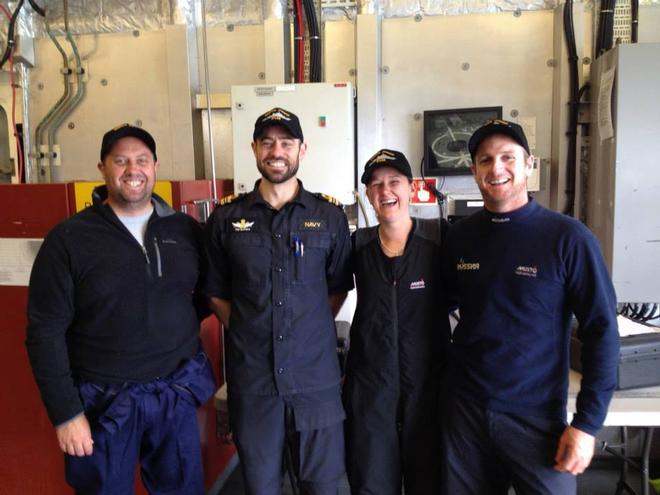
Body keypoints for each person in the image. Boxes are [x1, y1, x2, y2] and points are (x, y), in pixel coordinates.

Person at [25, 124, 215, 494]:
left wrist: (169, 329)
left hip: (173, 394)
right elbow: (44, 332)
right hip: (103, 403)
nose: (133, 169)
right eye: (121, 160)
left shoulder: (185, 231)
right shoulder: (69, 239)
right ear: (102, 168)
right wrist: (66, 414)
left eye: (142, 160)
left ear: (155, 166)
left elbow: (203, 296)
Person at [441, 119, 620, 494]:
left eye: (508, 157)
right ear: (474, 170)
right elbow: (437, 307)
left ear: (529, 164)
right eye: (486, 160)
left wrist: (587, 424)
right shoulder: (460, 237)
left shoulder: (568, 238)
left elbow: (602, 330)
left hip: (536, 420)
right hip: (466, 417)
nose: (497, 168)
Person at [205, 107, 353, 495]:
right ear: (254, 148)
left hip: (314, 382)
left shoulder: (329, 216)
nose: (276, 150)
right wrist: (249, 327)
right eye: (267, 142)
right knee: (260, 486)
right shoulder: (226, 217)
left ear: (302, 150)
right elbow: (216, 290)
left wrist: (308, 325)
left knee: (322, 486)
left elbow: (337, 287)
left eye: (286, 142)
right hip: (254, 384)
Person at [344, 149, 449, 495]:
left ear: (411, 186)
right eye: (375, 185)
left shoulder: (439, 240)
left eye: (393, 182)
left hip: (428, 391)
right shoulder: (356, 246)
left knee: (429, 483)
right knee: (372, 484)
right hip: (372, 391)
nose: (385, 191)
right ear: (368, 195)